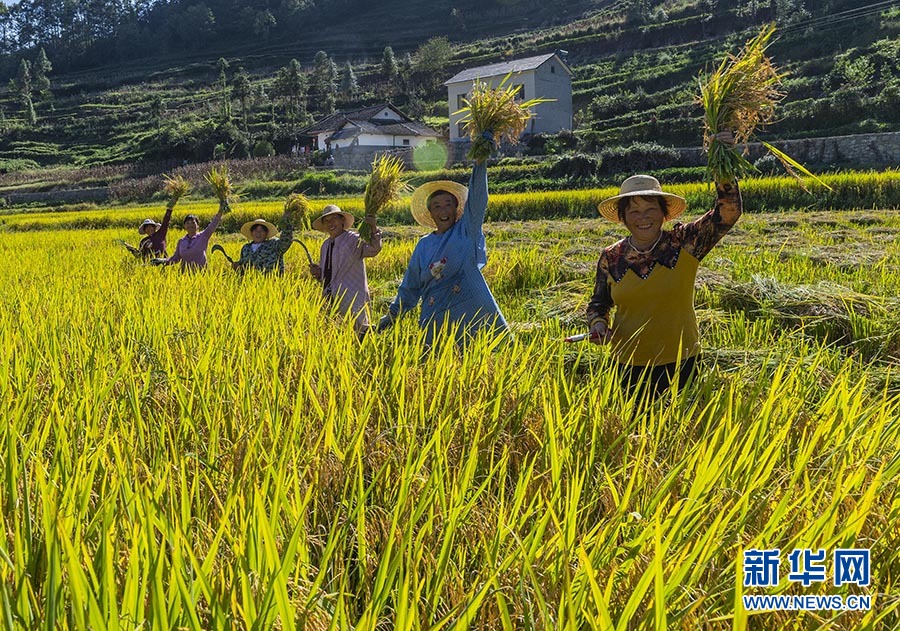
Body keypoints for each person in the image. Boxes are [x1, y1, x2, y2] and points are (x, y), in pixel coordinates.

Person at [587, 161, 742, 397]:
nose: (643, 218)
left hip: (682, 360)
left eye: (651, 209)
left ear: (663, 213)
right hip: (629, 365)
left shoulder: (684, 244)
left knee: (682, 429)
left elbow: (728, 212)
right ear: (623, 217)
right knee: (634, 430)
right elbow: (599, 303)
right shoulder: (612, 257)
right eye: (634, 211)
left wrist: (723, 164)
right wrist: (598, 325)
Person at [377, 160, 509, 348]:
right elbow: (410, 286)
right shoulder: (423, 246)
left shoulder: (466, 231)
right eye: (436, 206)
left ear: (457, 209)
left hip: (473, 313)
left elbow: (478, 199)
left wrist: (480, 164)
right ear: (430, 212)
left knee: (488, 361)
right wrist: (389, 318)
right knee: (438, 368)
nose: (443, 210)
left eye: (448, 204)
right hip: (436, 320)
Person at [157, 206, 224, 271]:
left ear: (197, 225)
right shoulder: (181, 241)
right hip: (184, 275)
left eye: (193, 223)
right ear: (184, 226)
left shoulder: (203, 236)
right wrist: (163, 261)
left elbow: (213, 225)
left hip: (201, 274)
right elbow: (176, 258)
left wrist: (220, 211)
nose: (190, 225)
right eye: (187, 223)